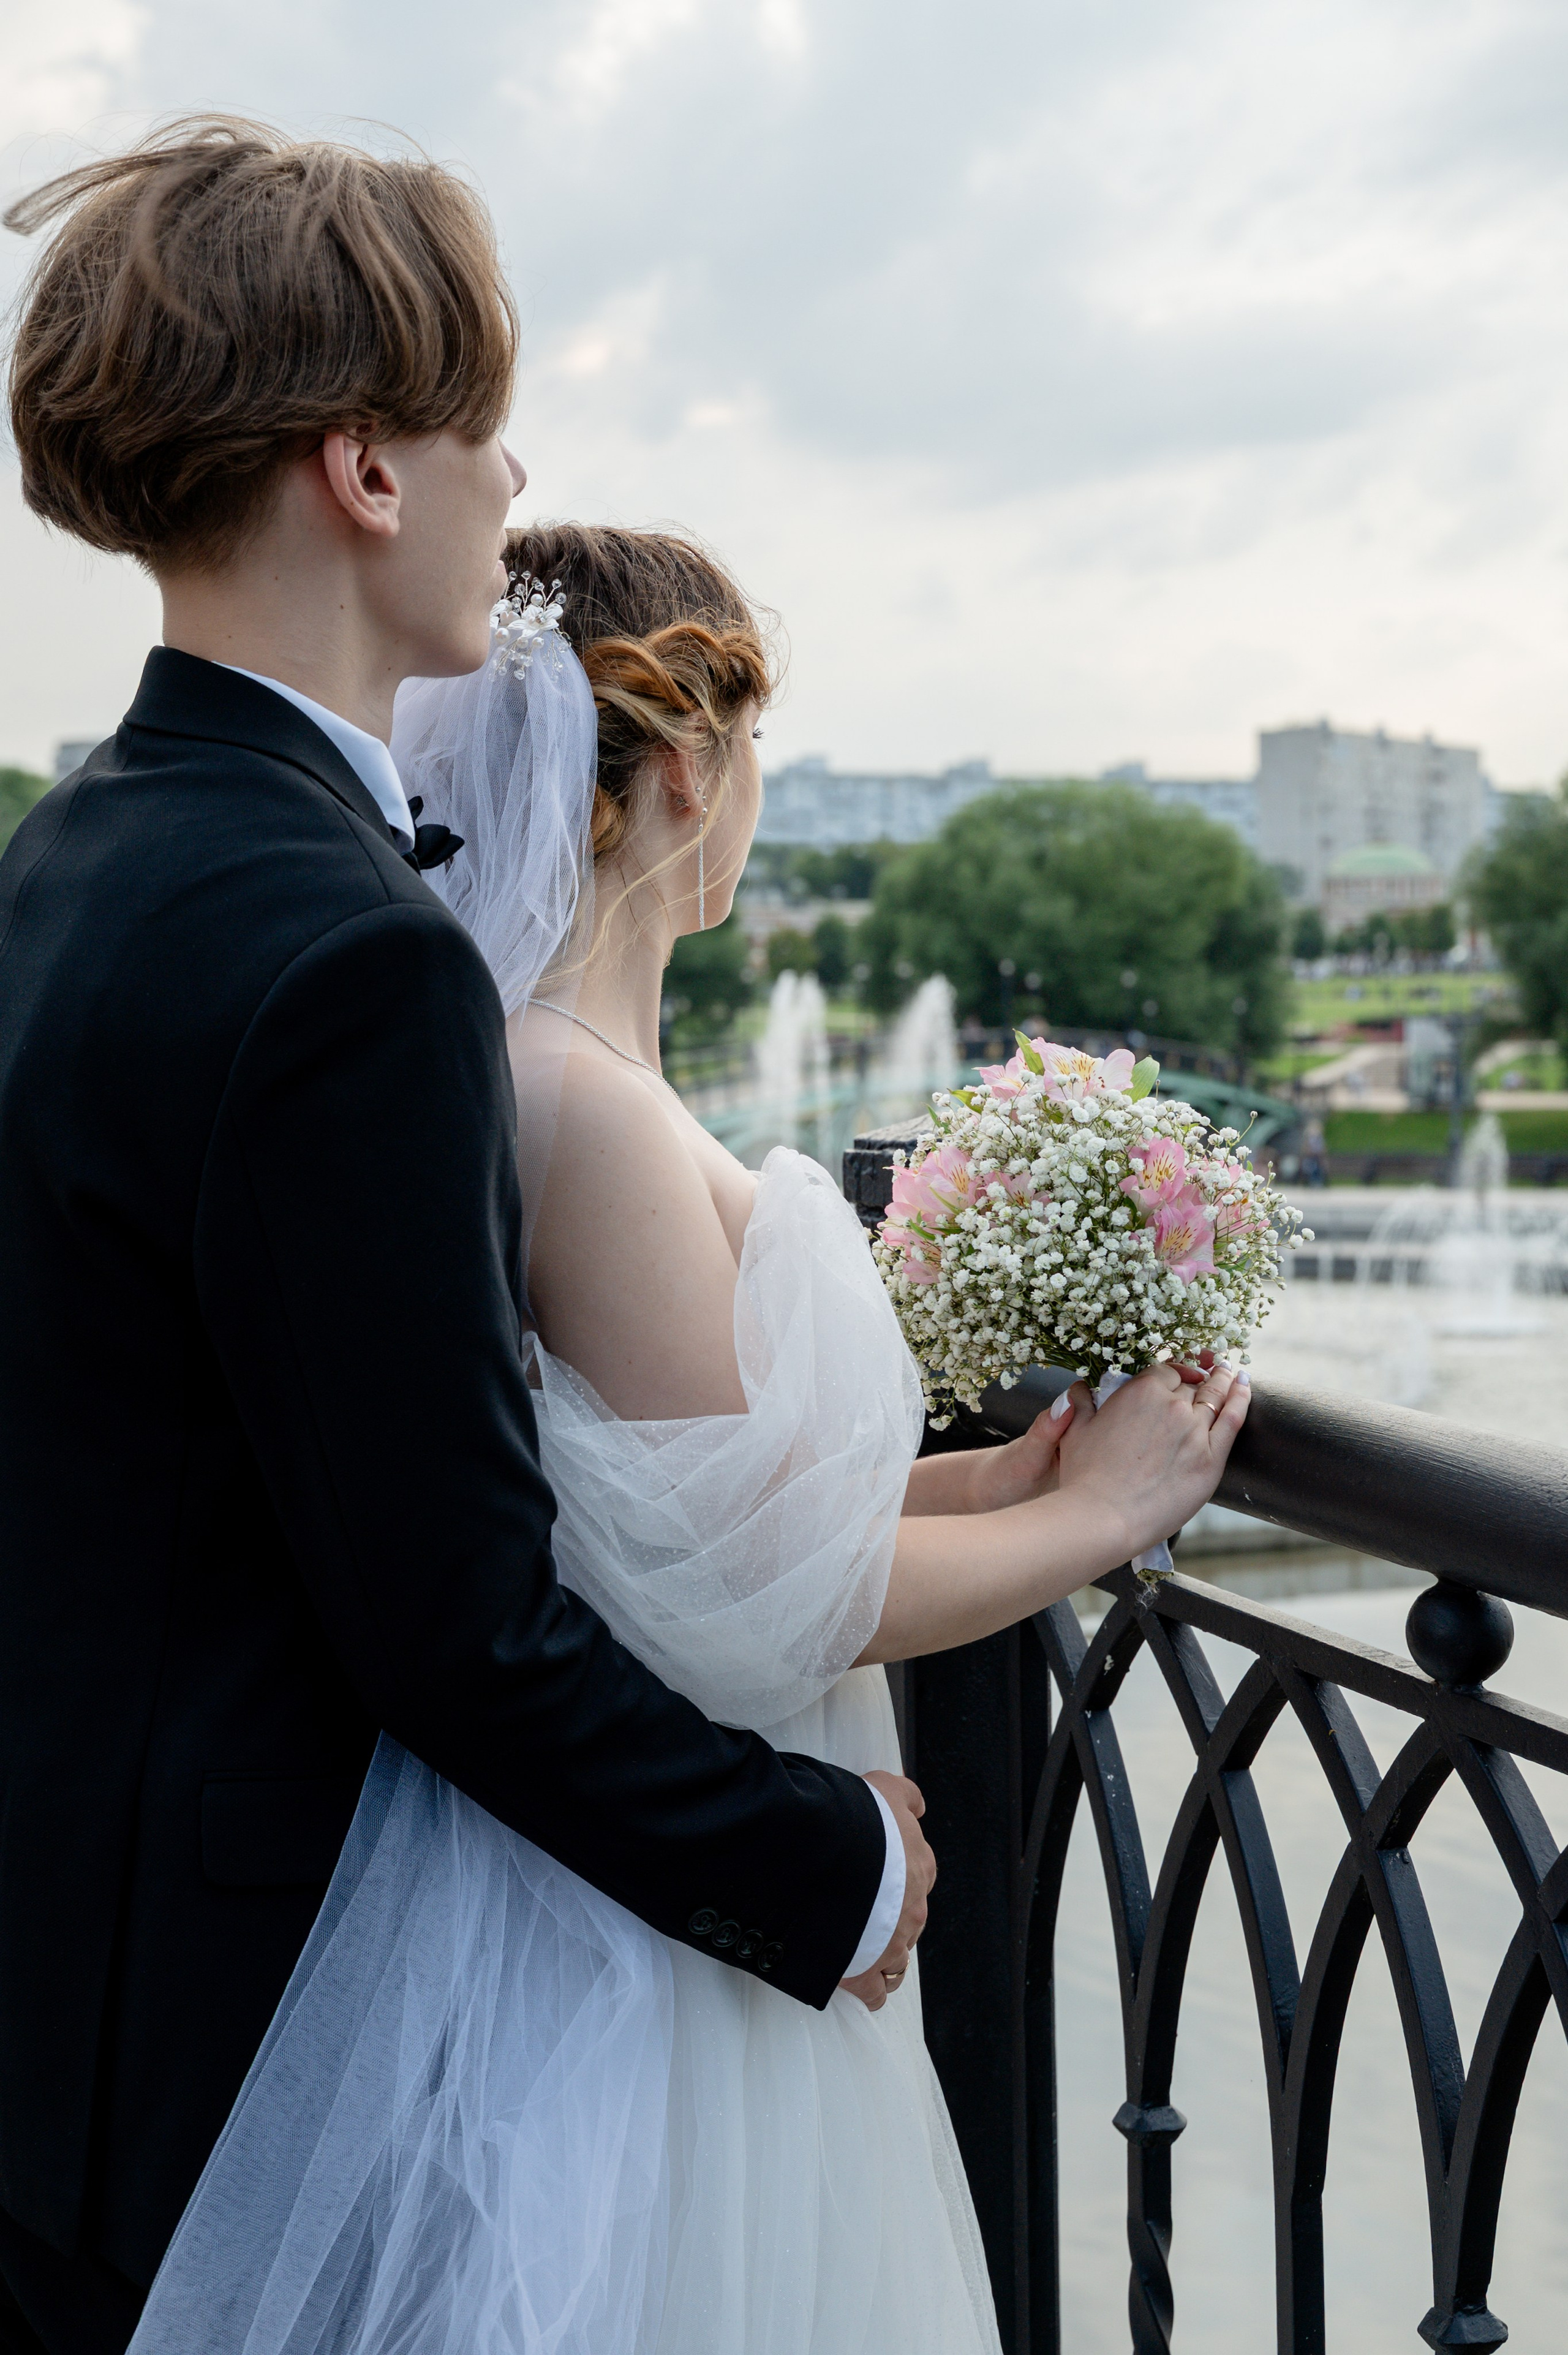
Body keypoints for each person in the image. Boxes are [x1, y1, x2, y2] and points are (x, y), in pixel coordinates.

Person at [0, 121, 932, 2355]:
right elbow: (454, 1616)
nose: (517, 481)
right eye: (478, 426)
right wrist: (830, 1863)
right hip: (220, 2020)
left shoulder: (67, 865)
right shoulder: (359, 956)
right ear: (364, 471)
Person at [118, 524, 1250, 2353]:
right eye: (750, 766)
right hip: (662, 1937)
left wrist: (1002, 1475)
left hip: (648, 1877)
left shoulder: (547, 1068)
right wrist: (1102, 1513)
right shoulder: (583, 1106)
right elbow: (758, 1595)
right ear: (681, 769)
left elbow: (690, 1498)